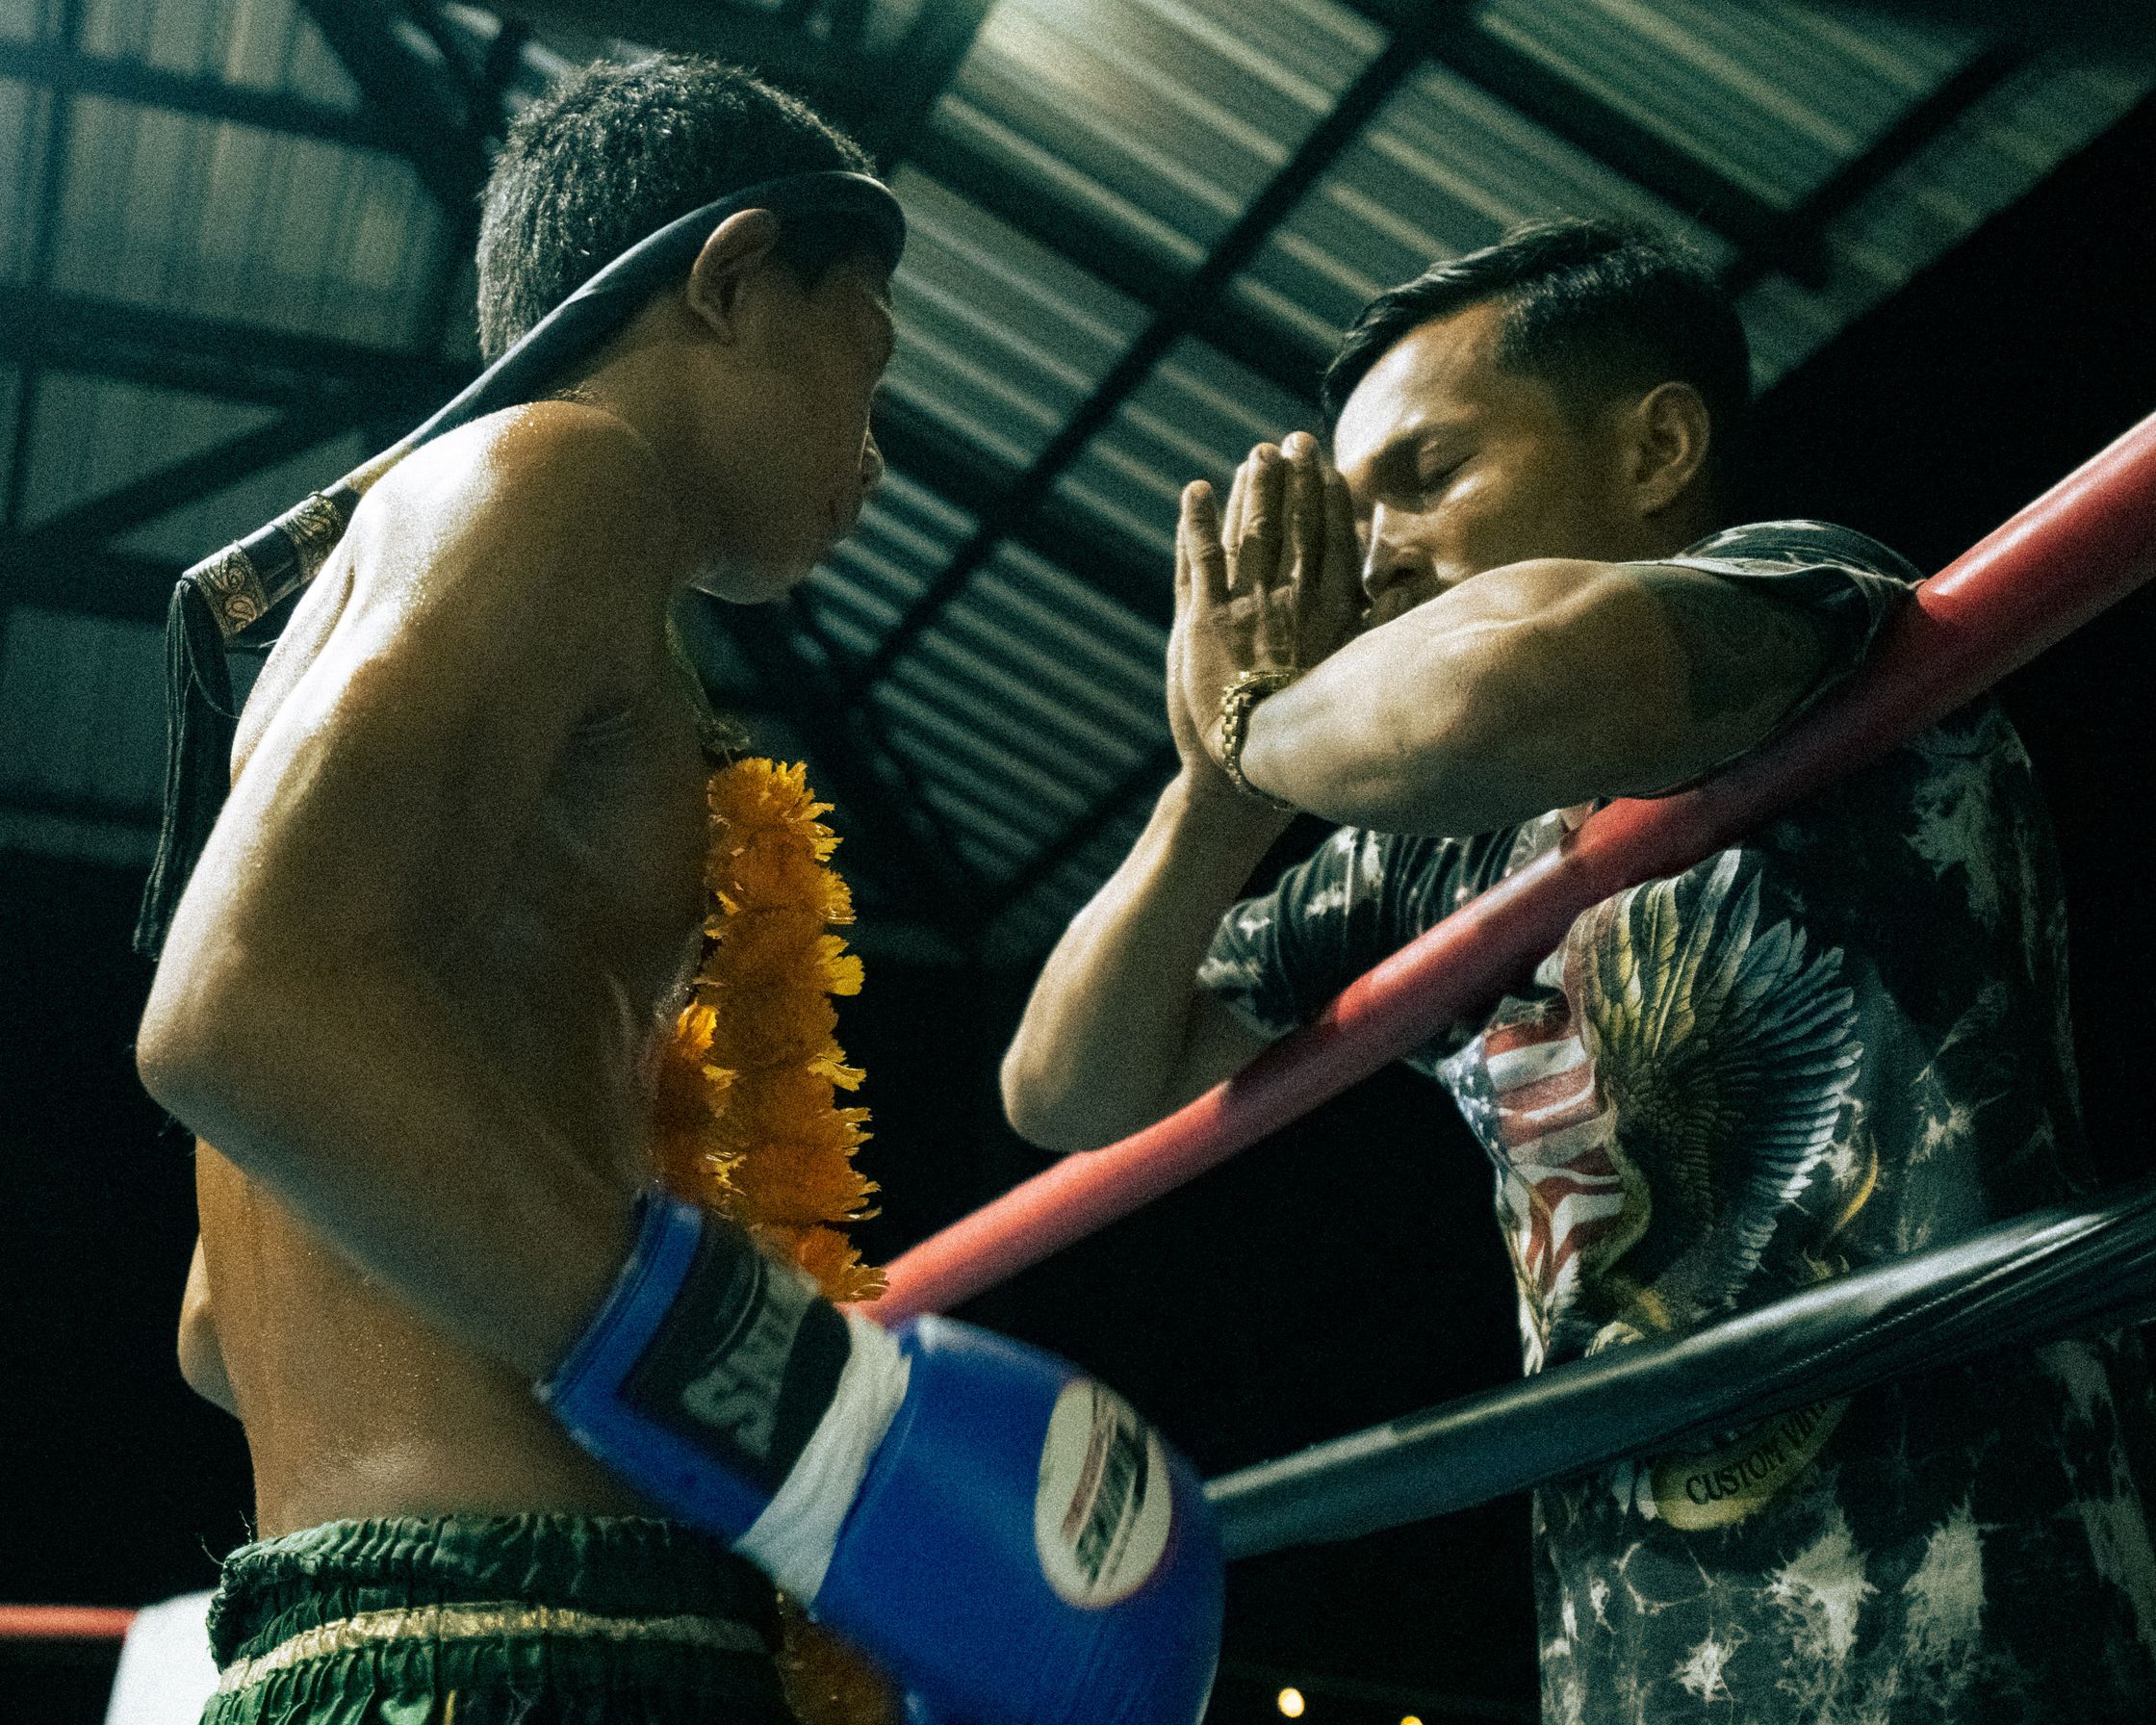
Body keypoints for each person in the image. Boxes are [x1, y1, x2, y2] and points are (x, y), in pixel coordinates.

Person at [141, 55, 1218, 1725]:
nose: (875, 453)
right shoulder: (562, 477)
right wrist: (816, 1430)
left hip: (343, 1638)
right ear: (728, 282)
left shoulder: (372, 629)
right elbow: (235, 1015)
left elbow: (223, 1324)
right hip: (547, 1639)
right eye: (864, 362)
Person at [1002, 219, 2156, 1721]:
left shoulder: (1804, 607)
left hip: (1975, 1607)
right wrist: (1222, 791)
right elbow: (1065, 1082)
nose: (1377, 559)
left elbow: (1501, 685)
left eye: (1425, 476)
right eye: (1352, 518)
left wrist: (1255, 729)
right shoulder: (1419, 861)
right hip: (1638, 1656)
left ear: (1657, 446)